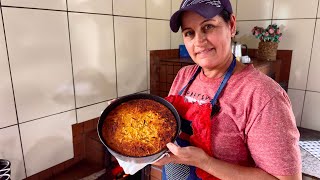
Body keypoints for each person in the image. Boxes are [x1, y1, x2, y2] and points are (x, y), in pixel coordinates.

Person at [153, 0, 302, 179]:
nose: (198, 41)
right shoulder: (184, 75)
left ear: (231, 25)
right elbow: (166, 127)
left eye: (208, 27)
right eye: (189, 33)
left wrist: (204, 162)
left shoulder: (263, 95)